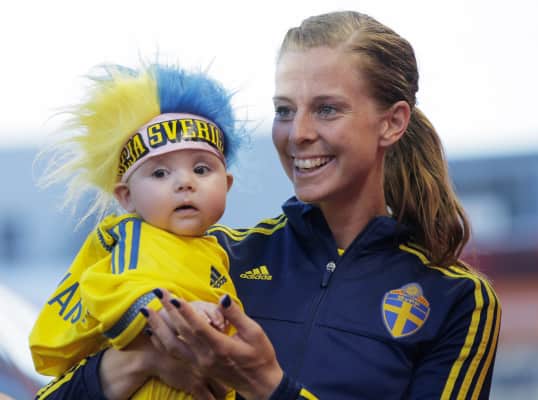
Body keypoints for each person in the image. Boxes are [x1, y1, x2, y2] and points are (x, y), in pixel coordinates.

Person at [37, 10, 501, 400]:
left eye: (326, 109)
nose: (298, 133)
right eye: (284, 110)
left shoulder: (458, 300)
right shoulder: (216, 254)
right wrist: (136, 362)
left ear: (392, 123)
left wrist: (267, 385)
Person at [29, 62, 245, 399]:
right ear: (126, 197)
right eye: (160, 174)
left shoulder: (217, 250)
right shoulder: (134, 237)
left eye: (202, 169)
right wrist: (180, 313)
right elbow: (108, 289)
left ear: (227, 185)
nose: (185, 183)